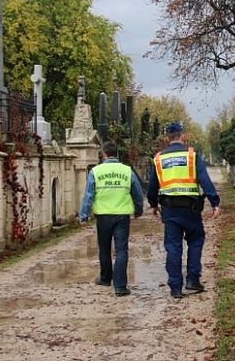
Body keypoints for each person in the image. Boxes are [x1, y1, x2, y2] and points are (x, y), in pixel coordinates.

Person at [147, 122, 220, 299]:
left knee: (173, 247)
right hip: (191, 209)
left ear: (167, 138)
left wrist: (153, 205)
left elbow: (152, 186)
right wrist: (214, 202)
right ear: (182, 136)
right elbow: (205, 180)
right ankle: (193, 280)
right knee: (195, 240)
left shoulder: (158, 159)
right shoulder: (192, 155)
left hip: (170, 210)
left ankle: (175, 287)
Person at [79, 141, 144, 296]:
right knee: (121, 250)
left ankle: (106, 278)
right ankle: (120, 286)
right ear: (117, 154)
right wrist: (138, 209)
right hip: (122, 215)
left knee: (105, 248)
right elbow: (137, 193)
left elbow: (88, 195)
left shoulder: (96, 171)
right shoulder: (127, 171)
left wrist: (84, 216)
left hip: (103, 216)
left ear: (104, 154)